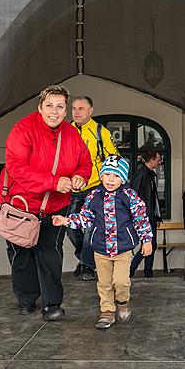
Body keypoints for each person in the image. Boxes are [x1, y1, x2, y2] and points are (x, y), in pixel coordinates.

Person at [0, 85, 92, 321]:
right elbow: (16, 168)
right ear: (40, 107)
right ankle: (26, 298)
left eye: (60, 106)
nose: (55, 111)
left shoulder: (72, 135)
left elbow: (85, 162)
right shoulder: (23, 129)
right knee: (22, 253)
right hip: (24, 204)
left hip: (56, 206)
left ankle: (52, 303)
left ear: (65, 111)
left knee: (50, 252)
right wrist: (53, 182)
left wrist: (80, 175)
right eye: (49, 105)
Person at [53, 155, 152, 330]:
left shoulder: (129, 196)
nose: (111, 180)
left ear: (123, 178)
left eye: (116, 176)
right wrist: (66, 221)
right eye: (107, 175)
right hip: (100, 248)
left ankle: (122, 302)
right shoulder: (94, 196)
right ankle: (107, 312)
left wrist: (146, 240)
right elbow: (85, 218)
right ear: (101, 176)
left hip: (123, 248)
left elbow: (141, 219)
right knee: (104, 283)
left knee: (121, 281)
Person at [69, 96, 118, 281]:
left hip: (94, 187)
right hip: (70, 189)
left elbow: (114, 159)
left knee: (90, 228)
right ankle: (85, 259)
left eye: (81, 108)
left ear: (91, 110)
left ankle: (87, 266)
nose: (76, 112)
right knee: (70, 228)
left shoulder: (100, 132)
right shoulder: (65, 131)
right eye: (74, 108)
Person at [130, 150, 162, 278]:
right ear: (152, 159)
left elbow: (152, 198)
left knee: (151, 245)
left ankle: (146, 272)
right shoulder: (143, 174)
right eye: (158, 159)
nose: (159, 162)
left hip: (149, 215)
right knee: (150, 244)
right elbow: (134, 195)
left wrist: (157, 216)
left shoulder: (148, 174)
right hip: (145, 216)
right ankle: (133, 270)